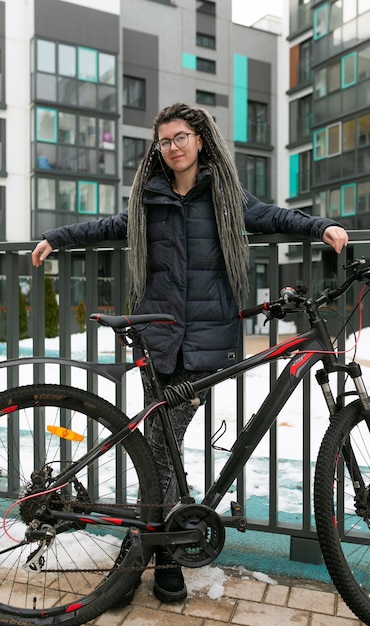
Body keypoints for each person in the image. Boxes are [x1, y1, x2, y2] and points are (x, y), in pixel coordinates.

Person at [32, 102, 349, 605]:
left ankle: (143, 557)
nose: (173, 147)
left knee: (162, 451)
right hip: (156, 335)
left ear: (200, 139)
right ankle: (155, 560)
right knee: (160, 453)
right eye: (164, 141)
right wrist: (57, 237)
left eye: (180, 137)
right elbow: (109, 226)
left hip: (204, 339)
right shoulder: (148, 196)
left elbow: (270, 215)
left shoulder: (223, 195)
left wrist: (320, 226)